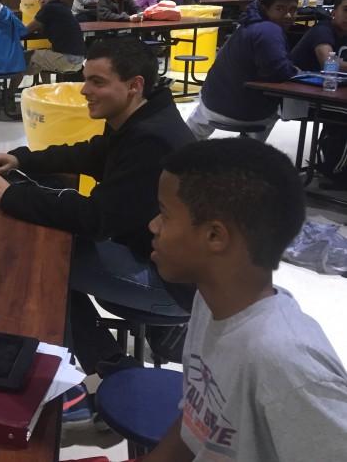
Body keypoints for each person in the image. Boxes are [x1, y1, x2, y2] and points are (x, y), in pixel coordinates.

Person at [0, 37, 196, 381]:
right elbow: (90, 154)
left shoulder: (152, 140)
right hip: (153, 258)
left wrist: (11, 197)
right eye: (85, 79)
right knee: (50, 248)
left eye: (97, 81)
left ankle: (98, 376)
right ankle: (109, 359)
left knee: (43, 264)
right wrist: (23, 157)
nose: (84, 90)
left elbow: (95, 219)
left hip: (172, 289)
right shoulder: (143, 117)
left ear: (134, 86)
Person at [144, 138, 347, 462]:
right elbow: (196, 425)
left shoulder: (284, 364)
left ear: (215, 236)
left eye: (165, 215)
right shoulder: (209, 303)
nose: (152, 225)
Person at [187, 0, 299, 141]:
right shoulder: (269, 31)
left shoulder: (247, 21)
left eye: (293, 9)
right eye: (280, 9)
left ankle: (185, 145)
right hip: (248, 115)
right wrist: (297, 72)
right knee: (276, 111)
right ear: (265, 8)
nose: (288, 15)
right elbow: (280, 72)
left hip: (210, 103)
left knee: (200, 116)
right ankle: (251, 148)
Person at [22, 0, 86, 77]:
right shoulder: (64, 7)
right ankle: (45, 89)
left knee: (25, 57)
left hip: (67, 59)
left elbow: (27, 30)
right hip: (80, 60)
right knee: (41, 60)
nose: (42, 1)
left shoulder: (49, 8)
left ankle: (10, 90)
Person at [290, 0, 347, 71]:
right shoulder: (322, 30)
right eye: (346, 10)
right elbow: (328, 65)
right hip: (294, 81)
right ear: (333, 13)